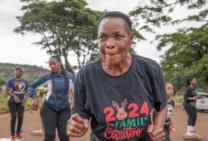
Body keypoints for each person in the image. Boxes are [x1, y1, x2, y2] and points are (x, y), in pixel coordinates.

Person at [66, 11, 168, 141]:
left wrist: (158, 128)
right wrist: (77, 124)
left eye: (118, 36)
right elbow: (80, 114)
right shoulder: (86, 75)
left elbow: (162, 104)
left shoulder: (150, 69)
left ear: (131, 38)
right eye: (102, 37)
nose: (109, 44)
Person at [28, 56, 74, 141]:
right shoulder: (47, 77)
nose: (52, 66)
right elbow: (31, 86)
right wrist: (34, 97)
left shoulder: (70, 77)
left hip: (64, 108)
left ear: (60, 63)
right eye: (50, 65)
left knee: (64, 135)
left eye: (54, 64)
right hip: (49, 107)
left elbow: (79, 91)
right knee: (50, 135)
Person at [5, 66, 28, 141]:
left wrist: (25, 99)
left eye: (20, 71)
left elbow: (27, 92)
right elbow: (7, 91)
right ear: (14, 72)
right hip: (12, 102)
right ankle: (12, 134)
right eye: (17, 70)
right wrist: (13, 95)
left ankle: (18, 133)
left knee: (21, 117)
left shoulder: (25, 81)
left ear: (22, 72)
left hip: (21, 102)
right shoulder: (11, 80)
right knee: (14, 116)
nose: (18, 72)